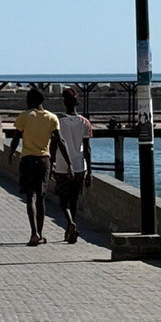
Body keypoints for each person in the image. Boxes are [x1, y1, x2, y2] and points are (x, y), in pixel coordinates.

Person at [7, 87, 72, 246]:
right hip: (44, 160)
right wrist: (69, 163)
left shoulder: (24, 116)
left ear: (32, 100)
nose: (26, 103)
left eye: (27, 100)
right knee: (41, 197)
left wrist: (10, 153)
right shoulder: (52, 118)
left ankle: (34, 233)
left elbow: (16, 138)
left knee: (30, 197)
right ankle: (41, 234)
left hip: (27, 160)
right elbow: (60, 141)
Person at [51, 87, 92, 243]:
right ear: (77, 102)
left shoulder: (58, 121)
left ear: (64, 102)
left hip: (62, 166)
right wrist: (90, 171)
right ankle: (71, 228)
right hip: (79, 166)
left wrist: (51, 162)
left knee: (63, 199)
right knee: (74, 199)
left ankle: (70, 223)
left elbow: (54, 144)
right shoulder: (85, 122)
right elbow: (87, 149)